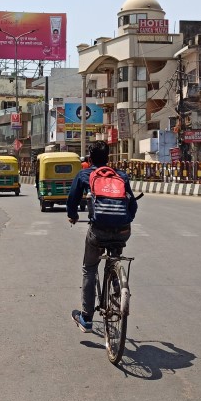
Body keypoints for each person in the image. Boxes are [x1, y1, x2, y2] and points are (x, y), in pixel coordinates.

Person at [67, 140, 138, 333]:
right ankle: (117, 285)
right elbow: (132, 204)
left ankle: (86, 318)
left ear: (89, 158)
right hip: (123, 229)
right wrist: (125, 220)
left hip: (98, 231)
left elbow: (72, 199)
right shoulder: (121, 175)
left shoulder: (84, 174)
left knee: (89, 268)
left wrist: (72, 216)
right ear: (108, 157)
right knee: (113, 255)